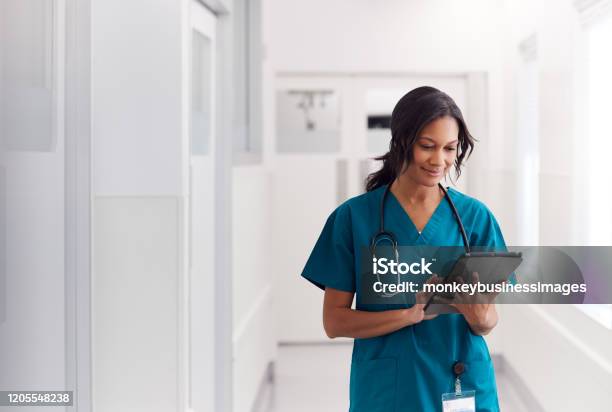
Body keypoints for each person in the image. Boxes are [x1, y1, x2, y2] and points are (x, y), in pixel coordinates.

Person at [301, 86, 509, 411]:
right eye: (427, 146)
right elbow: (335, 322)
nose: (439, 160)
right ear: (401, 141)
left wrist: (480, 316)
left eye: (450, 149)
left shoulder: (475, 219)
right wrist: (407, 315)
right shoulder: (354, 218)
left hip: (460, 380)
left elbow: (487, 320)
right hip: (389, 388)